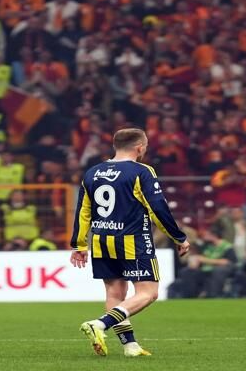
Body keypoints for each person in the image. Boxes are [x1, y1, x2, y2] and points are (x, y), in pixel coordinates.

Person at [70, 128, 189, 357]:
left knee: (115, 294)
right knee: (148, 293)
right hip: (132, 240)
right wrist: (178, 237)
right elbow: (157, 207)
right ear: (140, 147)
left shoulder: (93, 172)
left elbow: (83, 211)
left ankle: (130, 346)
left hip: (101, 240)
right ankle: (100, 324)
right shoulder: (141, 171)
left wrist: (79, 245)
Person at [173, 228, 237, 299]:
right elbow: (198, 257)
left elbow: (227, 262)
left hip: (219, 270)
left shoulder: (227, 247)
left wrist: (205, 260)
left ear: (214, 236)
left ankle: (213, 295)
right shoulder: (206, 246)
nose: (204, 237)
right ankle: (190, 296)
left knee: (218, 271)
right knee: (186, 271)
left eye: (207, 235)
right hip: (204, 269)